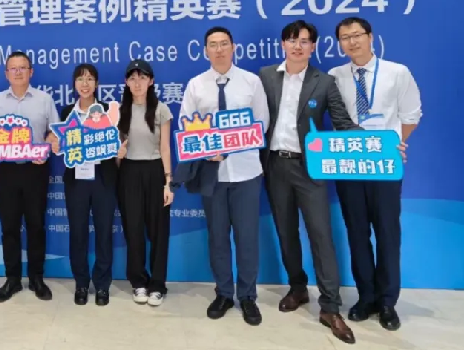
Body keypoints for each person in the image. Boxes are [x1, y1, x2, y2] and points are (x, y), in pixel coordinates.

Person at [259, 20, 358, 345]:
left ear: (313, 46)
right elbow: (251, 119)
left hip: (310, 168)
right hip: (275, 165)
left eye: (304, 41)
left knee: (320, 235)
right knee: (286, 232)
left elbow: (342, 123)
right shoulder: (265, 77)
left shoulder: (324, 81)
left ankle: (330, 306)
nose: (297, 46)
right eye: (292, 40)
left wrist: (381, 145)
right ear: (283, 44)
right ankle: (298, 287)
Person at [329, 17, 421, 331]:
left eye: (357, 35)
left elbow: (411, 115)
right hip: (349, 166)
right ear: (339, 44)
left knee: (387, 233)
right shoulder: (335, 76)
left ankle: (387, 302)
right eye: (345, 37)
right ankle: (366, 297)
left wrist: (394, 146)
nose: (352, 42)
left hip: (384, 166)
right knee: (357, 233)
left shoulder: (397, 72)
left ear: (370, 37)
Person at [178, 27, 269, 325]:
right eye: (213, 45)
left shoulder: (251, 82)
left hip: (246, 171)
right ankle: (224, 292)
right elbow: (186, 125)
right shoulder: (196, 85)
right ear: (205, 50)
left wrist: (233, 143)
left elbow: (261, 122)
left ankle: (248, 296)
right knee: (217, 236)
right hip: (211, 173)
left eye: (224, 44)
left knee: (247, 237)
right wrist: (206, 149)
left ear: (233, 48)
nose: (219, 49)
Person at [0, 51, 60, 303]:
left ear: (31, 71)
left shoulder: (44, 99)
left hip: (35, 169)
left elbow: (54, 132)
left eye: (22, 68)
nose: (18, 72)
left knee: (36, 225)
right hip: (6, 170)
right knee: (9, 226)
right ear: (6, 73)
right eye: (13, 68)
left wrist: (47, 147)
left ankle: (36, 278)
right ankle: (12, 279)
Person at [53, 64, 118, 306]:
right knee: (78, 231)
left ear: (97, 84)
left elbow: (118, 141)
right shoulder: (67, 112)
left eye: (90, 79)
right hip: (76, 179)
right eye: (80, 79)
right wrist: (55, 144)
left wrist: (119, 149)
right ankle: (81, 282)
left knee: (104, 231)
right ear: (74, 84)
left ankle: (102, 285)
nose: (85, 84)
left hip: (103, 177)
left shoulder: (108, 111)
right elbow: (57, 141)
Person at [116, 59, 173, 307]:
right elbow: (115, 151)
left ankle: (158, 285)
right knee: (133, 229)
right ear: (126, 83)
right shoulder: (119, 111)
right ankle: (138, 281)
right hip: (128, 172)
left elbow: (165, 147)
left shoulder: (161, 109)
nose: (137, 82)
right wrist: (117, 156)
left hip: (155, 170)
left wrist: (168, 182)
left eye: (142, 77)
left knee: (159, 231)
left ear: (151, 81)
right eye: (132, 78)